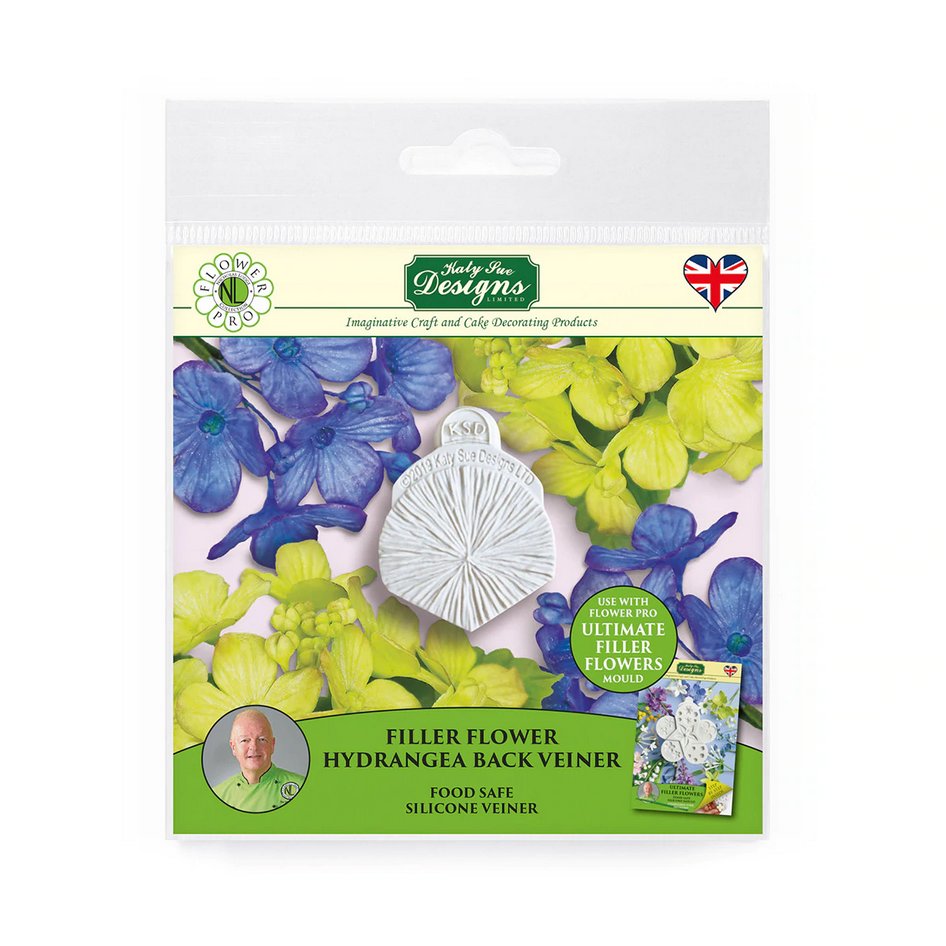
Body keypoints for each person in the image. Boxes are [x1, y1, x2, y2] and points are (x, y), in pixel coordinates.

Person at [212, 709, 306, 812]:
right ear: (233, 747)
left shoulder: (302, 786)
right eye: (245, 740)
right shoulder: (218, 794)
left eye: (261, 739)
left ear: (272, 745)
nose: (254, 747)